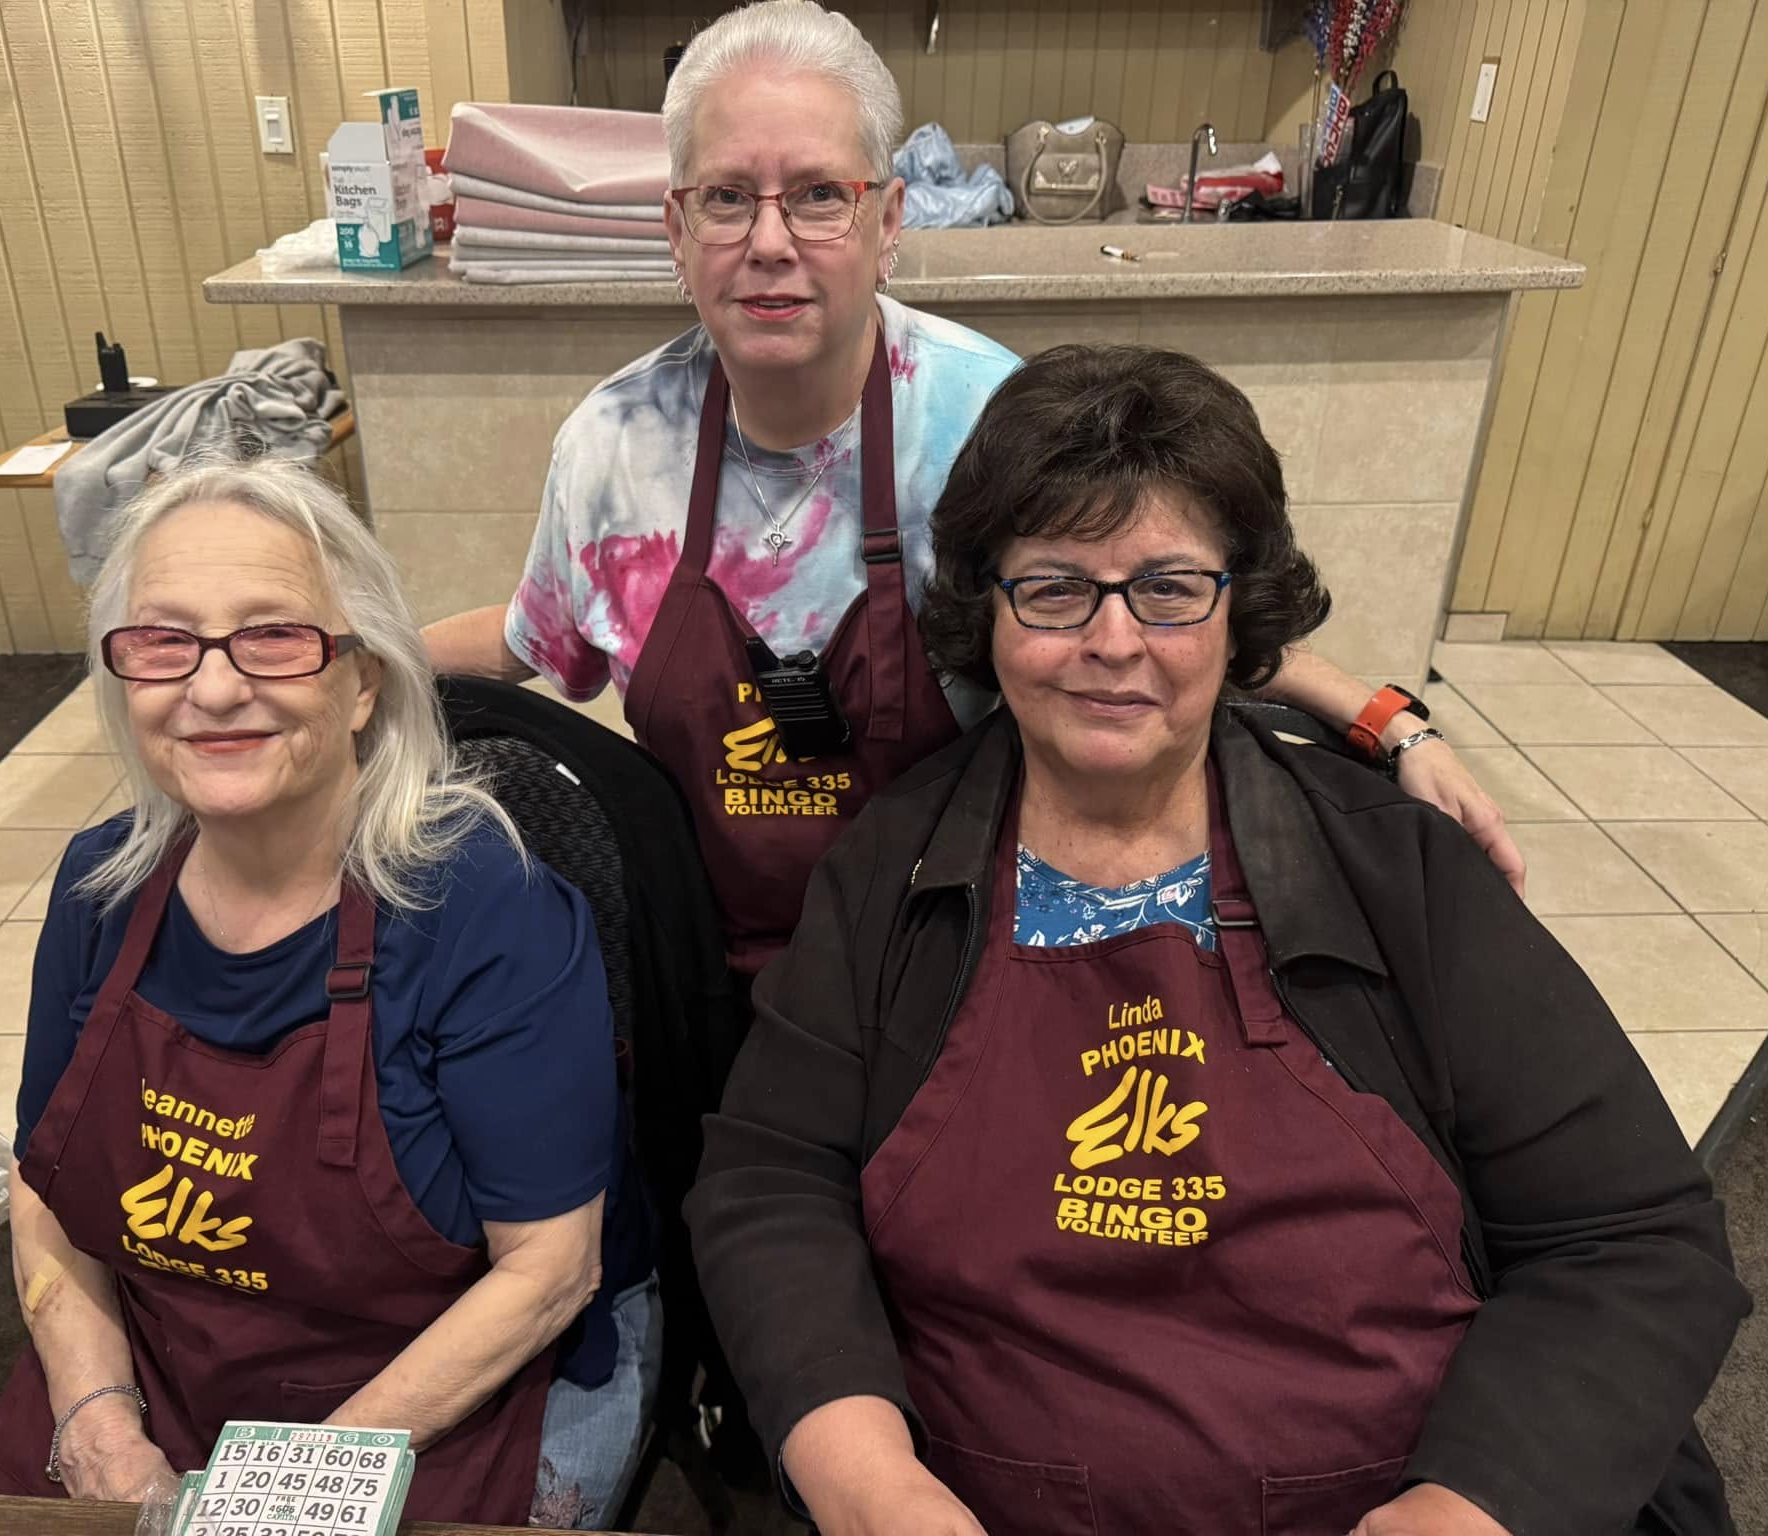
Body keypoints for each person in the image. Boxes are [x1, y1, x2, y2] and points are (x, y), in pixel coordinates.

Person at [685, 346, 1749, 1536]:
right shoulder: (890, 871)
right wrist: (870, 1487)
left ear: (1239, 610)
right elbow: (769, 1185)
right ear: (982, 609)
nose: (1111, 639)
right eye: (1053, 587)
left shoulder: (1397, 871)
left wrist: (1461, 1512)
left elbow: (1627, 1240)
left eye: (1166, 587)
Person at [422, 0, 1525, 986]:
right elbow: (532, 639)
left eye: (818, 195)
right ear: (674, 227)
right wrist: (331, 644)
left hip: (947, 953)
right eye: (724, 198)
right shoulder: (613, 446)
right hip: (696, 960)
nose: (767, 242)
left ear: (889, 219)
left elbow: (1155, 612)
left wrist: (1387, 722)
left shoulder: (986, 418)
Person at [0, 457, 658, 1531]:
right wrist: (95, 1415)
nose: (215, 685)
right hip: (171, 1366)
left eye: (273, 634)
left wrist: (276, 1496)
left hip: (435, 1390)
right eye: (164, 640)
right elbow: (46, 1185)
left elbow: (547, 1275)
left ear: (362, 678)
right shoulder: (102, 889)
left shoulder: (486, 911)